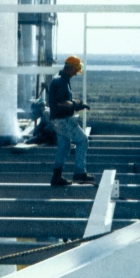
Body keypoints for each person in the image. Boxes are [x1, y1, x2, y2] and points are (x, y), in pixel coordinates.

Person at [46, 55, 95, 187]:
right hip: (62, 120)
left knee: (64, 146)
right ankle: (80, 172)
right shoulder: (61, 81)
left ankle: (56, 176)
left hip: (57, 120)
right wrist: (76, 105)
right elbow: (62, 103)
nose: (76, 73)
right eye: (75, 70)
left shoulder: (62, 80)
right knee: (82, 140)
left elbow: (62, 102)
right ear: (69, 68)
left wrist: (74, 104)